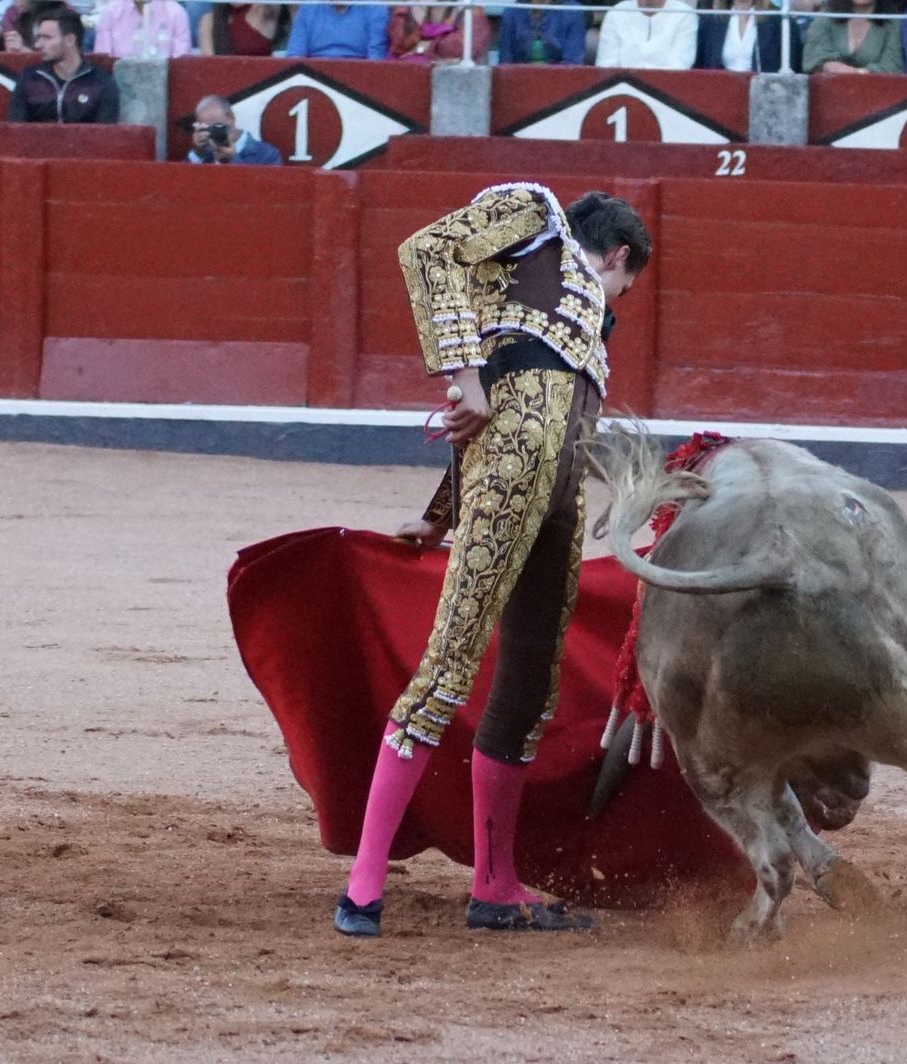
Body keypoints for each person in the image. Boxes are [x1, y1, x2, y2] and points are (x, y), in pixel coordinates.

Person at [333, 184, 652, 938]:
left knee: (528, 687)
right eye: (624, 286)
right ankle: (362, 889)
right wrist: (464, 374)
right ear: (618, 256)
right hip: (519, 477)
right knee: (448, 667)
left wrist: (441, 513)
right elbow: (426, 250)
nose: (615, 305)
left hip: (558, 493)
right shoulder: (534, 214)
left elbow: (513, 416)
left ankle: (495, 887)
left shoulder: (579, 331)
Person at [7, 9, 119, 123]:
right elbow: (15, 130)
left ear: (70, 40)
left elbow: (105, 135)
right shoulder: (29, 78)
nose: (38, 44)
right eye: (39, 38)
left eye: (46, 37)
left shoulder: (101, 83)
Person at [694, 0, 801, 73]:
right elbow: (699, 66)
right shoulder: (711, 22)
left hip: (763, 92)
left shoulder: (780, 22)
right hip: (721, 92)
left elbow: (794, 66)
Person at [801, 0, 906, 73]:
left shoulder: (892, 22)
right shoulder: (825, 18)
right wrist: (836, 68)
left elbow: (892, 66)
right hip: (830, 89)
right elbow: (815, 58)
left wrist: (857, 73)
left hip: (877, 91)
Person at [595, 0, 699, 68]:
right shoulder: (616, 12)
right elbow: (606, 65)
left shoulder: (685, 14)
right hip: (621, 89)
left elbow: (680, 65)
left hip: (668, 90)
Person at [185, 94, 282, 165]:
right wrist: (197, 153)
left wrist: (232, 160)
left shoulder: (267, 155)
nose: (214, 133)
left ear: (231, 118)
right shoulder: (204, 154)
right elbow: (180, 184)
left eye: (218, 126)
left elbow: (262, 190)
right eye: (207, 129)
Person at [387, 2, 490, 63]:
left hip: (453, 79)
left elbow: (457, 49)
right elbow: (399, 42)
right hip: (407, 71)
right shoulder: (409, 7)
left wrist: (423, 42)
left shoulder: (472, 11)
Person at [284, 0, 389, 58]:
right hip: (314, 74)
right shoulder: (308, 7)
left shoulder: (374, 7)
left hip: (358, 74)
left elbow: (376, 59)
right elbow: (295, 55)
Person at [496, 0, 587, 64]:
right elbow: (505, 62)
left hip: (559, 81)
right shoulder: (511, 13)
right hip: (520, 81)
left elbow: (573, 62)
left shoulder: (573, 12)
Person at [93, 0, 191, 56]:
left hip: (165, 84)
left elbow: (181, 64)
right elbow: (103, 62)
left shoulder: (176, 13)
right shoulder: (111, 13)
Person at [197, 2, 286, 55]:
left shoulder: (265, 9)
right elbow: (209, 64)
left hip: (265, 81)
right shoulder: (209, 20)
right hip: (224, 80)